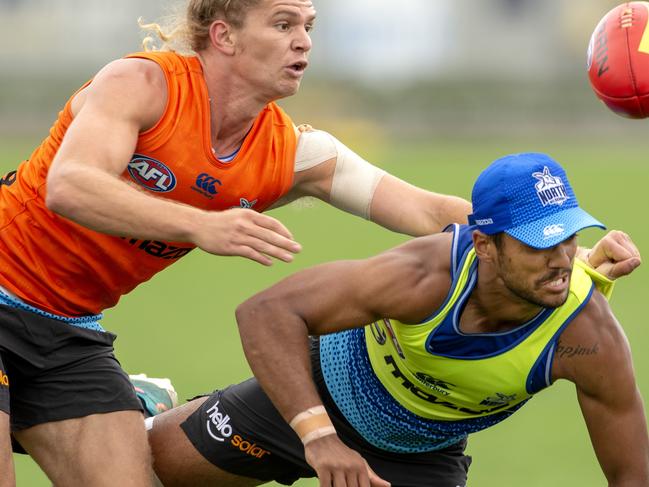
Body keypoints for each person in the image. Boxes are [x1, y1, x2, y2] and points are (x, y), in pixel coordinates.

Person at [0, 0, 639, 484]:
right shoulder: (143, 85)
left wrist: (559, 256)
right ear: (222, 34)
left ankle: (121, 404)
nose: (302, 40)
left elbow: (434, 211)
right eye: (282, 24)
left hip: (67, 331)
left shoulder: (294, 153)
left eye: (308, 25)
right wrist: (203, 224)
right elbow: (71, 185)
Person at [146, 153, 648, 487]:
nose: (560, 259)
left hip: (420, 457)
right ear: (484, 246)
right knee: (135, 468)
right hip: (312, 396)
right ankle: (148, 402)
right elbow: (265, 312)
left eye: (568, 238)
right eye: (539, 243)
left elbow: (633, 475)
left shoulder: (587, 338)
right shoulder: (425, 275)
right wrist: (319, 438)